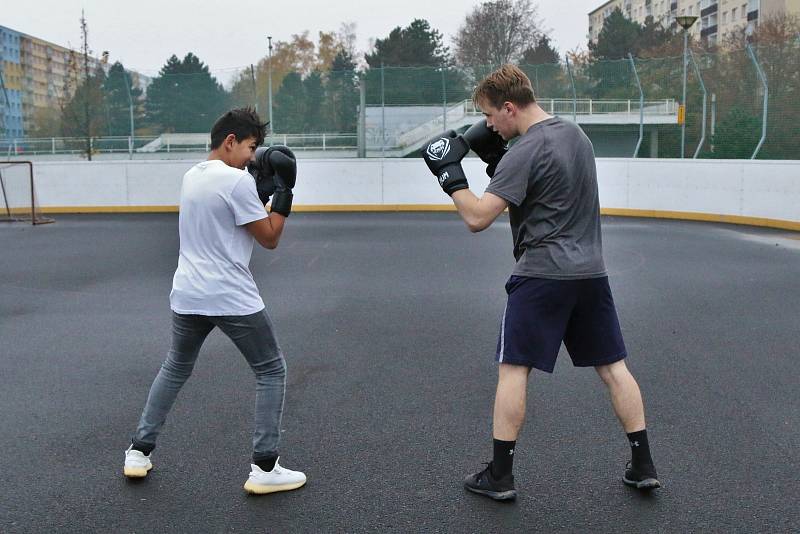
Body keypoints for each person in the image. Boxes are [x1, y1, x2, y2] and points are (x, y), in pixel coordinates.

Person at [421, 65, 660, 501]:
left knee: (514, 369)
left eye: (491, 115)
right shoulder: (576, 138)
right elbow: (551, 191)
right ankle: (643, 465)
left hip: (542, 275)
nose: (488, 125)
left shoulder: (524, 152)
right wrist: (499, 159)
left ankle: (500, 475)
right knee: (613, 368)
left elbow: (477, 217)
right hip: (591, 273)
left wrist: (448, 176)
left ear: (509, 107)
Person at [122, 107, 306, 495]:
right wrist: (285, 193)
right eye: (251, 148)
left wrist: (260, 190)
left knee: (175, 368)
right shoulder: (236, 182)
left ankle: (138, 452)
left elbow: (230, 211)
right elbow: (270, 237)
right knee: (271, 370)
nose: (253, 157)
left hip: (187, 293)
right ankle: (265, 468)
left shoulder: (193, 175)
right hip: (230, 295)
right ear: (230, 142)